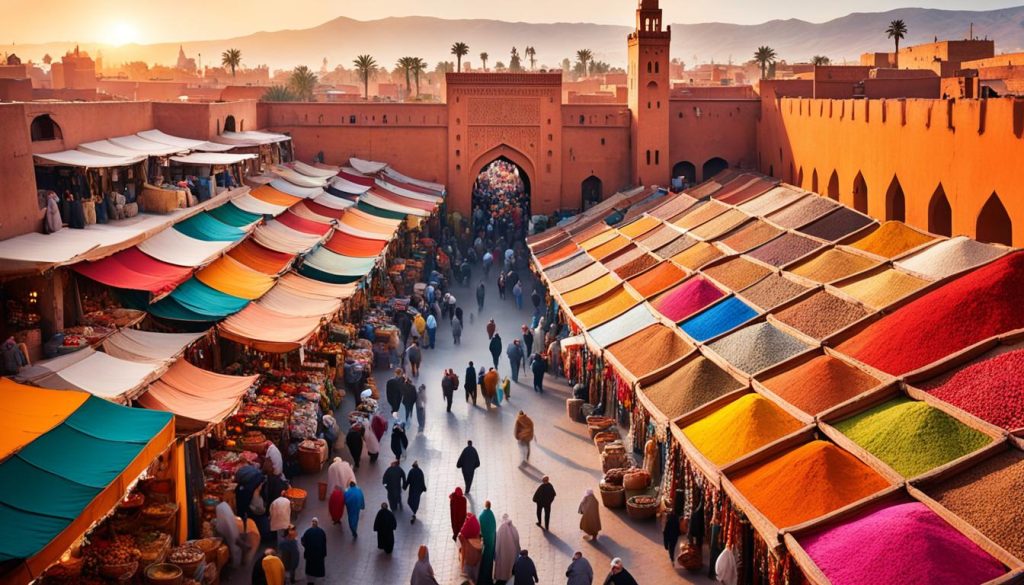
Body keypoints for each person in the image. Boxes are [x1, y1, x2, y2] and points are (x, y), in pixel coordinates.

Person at [214, 501, 242, 568]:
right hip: (232, 528)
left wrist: (216, 527)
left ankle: (233, 563)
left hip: (228, 531)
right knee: (234, 544)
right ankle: (235, 561)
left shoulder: (219, 508)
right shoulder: (224, 506)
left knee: (231, 545)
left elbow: (220, 527)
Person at [494, 514, 521, 584]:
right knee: (509, 568)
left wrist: (496, 553)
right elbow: (517, 541)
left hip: (502, 554)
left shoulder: (500, 529)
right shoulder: (514, 529)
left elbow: (497, 543)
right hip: (512, 554)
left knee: (502, 568)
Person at [300, 518, 327, 584]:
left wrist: (306, 547)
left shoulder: (308, 531)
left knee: (310, 569)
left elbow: (303, 541)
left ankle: (310, 581)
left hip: (310, 554)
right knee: (318, 567)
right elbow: (324, 542)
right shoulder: (321, 532)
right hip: (319, 554)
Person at [479, 501, 498, 585]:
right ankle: (488, 579)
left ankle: (483, 579)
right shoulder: (492, 515)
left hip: (486, 541)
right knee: (490, 561)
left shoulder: (482, 515)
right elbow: (494, 527)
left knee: (484, 560)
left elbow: (480, 529)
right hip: (491, 540)